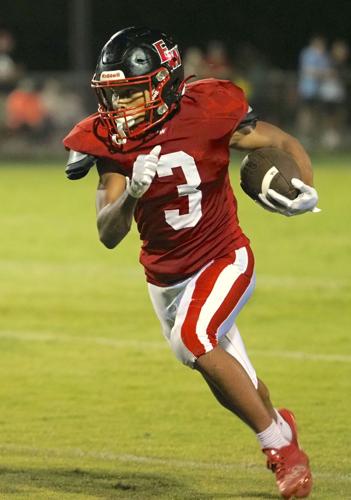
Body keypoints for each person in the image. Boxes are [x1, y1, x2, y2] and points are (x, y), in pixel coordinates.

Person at [63, 27, 319, 498]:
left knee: (193, 338)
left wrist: (304, 187)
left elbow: (280, 141)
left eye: (131, 93)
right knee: (237, 381)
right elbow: (107, 233)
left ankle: (282, 452)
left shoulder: (209, 108)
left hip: (224, 256)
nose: (120, 108)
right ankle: (280, 427)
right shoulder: (109, 139)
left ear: (163, 84)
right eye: (113, 95)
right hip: (165, 279)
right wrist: (131, 196)